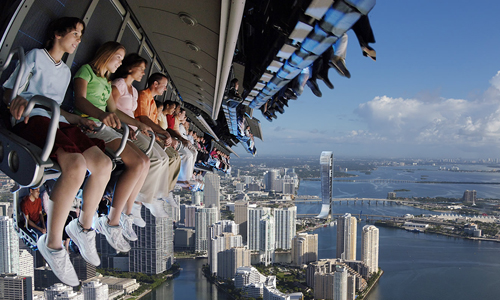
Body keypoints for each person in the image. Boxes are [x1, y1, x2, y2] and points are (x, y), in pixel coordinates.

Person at [3, 17, 112, 286]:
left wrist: (77, 120)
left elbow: (59, 108)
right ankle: (52, 244)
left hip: (57, 120)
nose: (77, 40)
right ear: (57, 34)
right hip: (34, 118)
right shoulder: (35, 57)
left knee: (103, 164)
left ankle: (84, 227)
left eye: (80, 36)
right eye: (74, 33)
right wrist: (16, 99)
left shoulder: (64, 72)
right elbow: (10, 92)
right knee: (75, 166)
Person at [74, 41, 150, 252]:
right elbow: (79, 101)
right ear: (105, 55)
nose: (120, 62)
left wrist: (133, 124)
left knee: (144, 161)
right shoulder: (86, 71)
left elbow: (113, 111)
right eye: (118, 57)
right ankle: (112, 221)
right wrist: (101, 115)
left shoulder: (107, 83)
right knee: (136, 162)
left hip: (104, 126)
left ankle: (124, 214)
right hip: (90, 124)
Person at [111, 54, 172, 220]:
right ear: (130, 68)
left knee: (162, 157)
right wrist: (137, 126)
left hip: (134, 129)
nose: (143, 73)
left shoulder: (135, 93)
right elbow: (111, 109)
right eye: (141, 69)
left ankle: (151, 196)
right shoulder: (120, 85)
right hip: (124, 129)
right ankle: (141, 199)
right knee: (154, 158)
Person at [135, 73, 182, 195]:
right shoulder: (143, 95)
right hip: (140, 132)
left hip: (150, 135)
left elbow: (154, 124)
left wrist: (162, 136)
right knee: (164, 158)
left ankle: (164, 191)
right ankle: (147, 193)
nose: (166, 88)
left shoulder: (152, 102)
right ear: (155, 84)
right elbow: (143, 119)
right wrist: (164, 133)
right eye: (164, 85)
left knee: (174, 157)